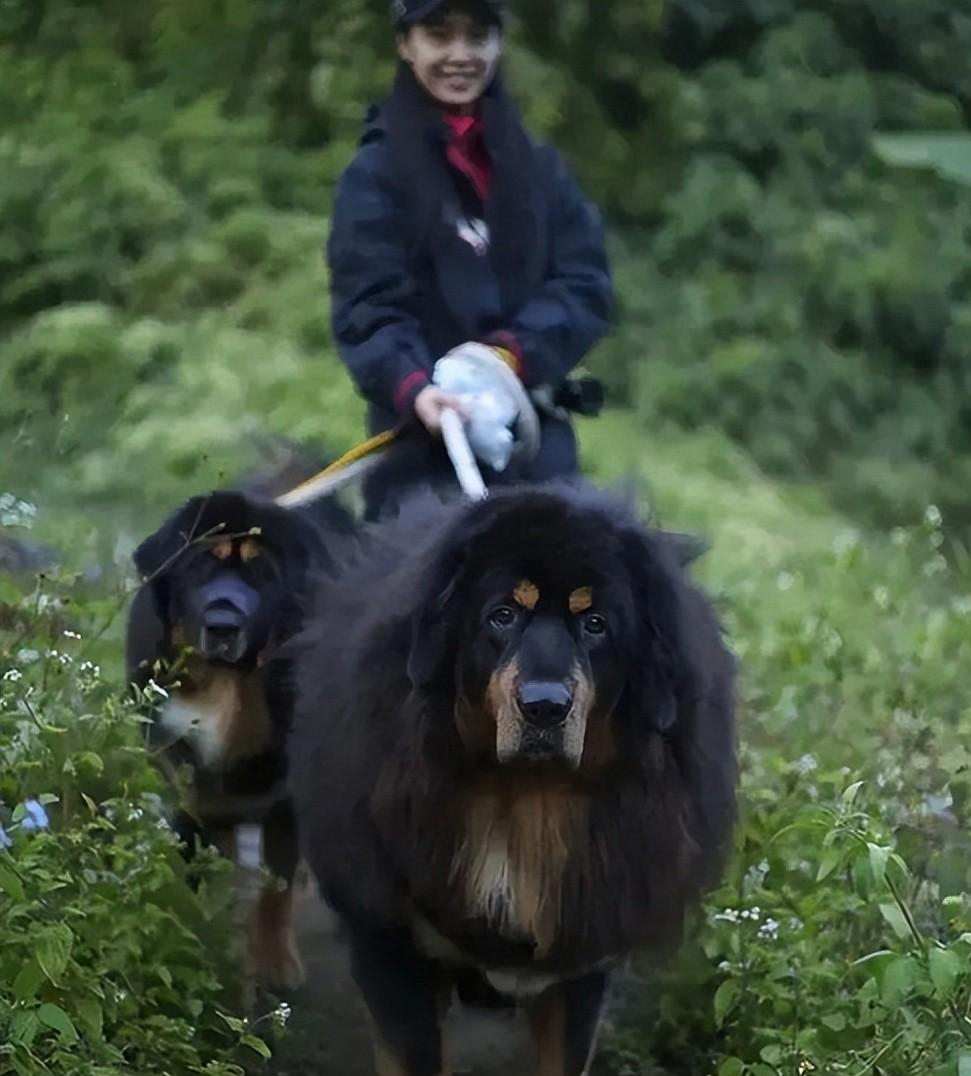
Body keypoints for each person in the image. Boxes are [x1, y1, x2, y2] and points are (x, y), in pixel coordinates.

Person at [326, 0, 613, 518]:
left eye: (476, 37)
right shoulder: (373, 177)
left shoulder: (542, 170)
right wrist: (415, 389)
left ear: (498, 44)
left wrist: (507, 357)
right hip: (420, 452)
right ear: (405, 44)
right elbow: (368, 309)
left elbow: (585, 283)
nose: (459, 55)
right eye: (439, 36)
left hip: (534, 442)